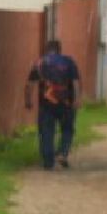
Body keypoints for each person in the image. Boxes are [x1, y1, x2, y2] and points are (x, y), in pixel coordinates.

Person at [25, 39, 80, 170]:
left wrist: (28, 100)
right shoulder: (69, 61)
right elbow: (75, 82)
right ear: (59, 50)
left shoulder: (40, 62)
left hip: (46, 105)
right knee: (67, 129)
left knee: (46, 132)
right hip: (66, 103)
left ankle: (48, 162)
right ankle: (62, 153)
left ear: (46, 49)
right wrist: (77, 99)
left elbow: (30, 85)